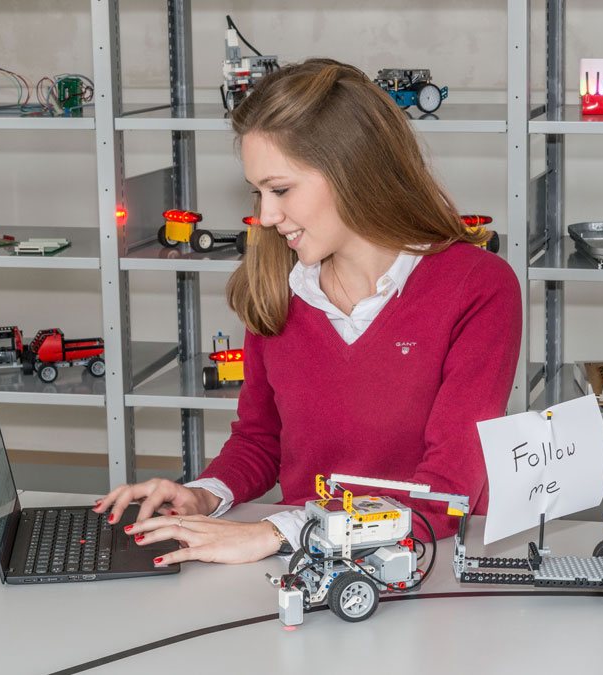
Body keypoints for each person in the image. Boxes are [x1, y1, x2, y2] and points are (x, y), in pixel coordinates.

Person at [94, 59, 522, 566]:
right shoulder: (276, 286)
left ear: (352, 170)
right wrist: (206, 494)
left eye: (281, 190)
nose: (267, 216)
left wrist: (276, 531)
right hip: (305, 563)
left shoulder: (480, 287)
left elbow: (444, 497)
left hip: (429, 570)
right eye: (259, 192)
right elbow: (261, 439)